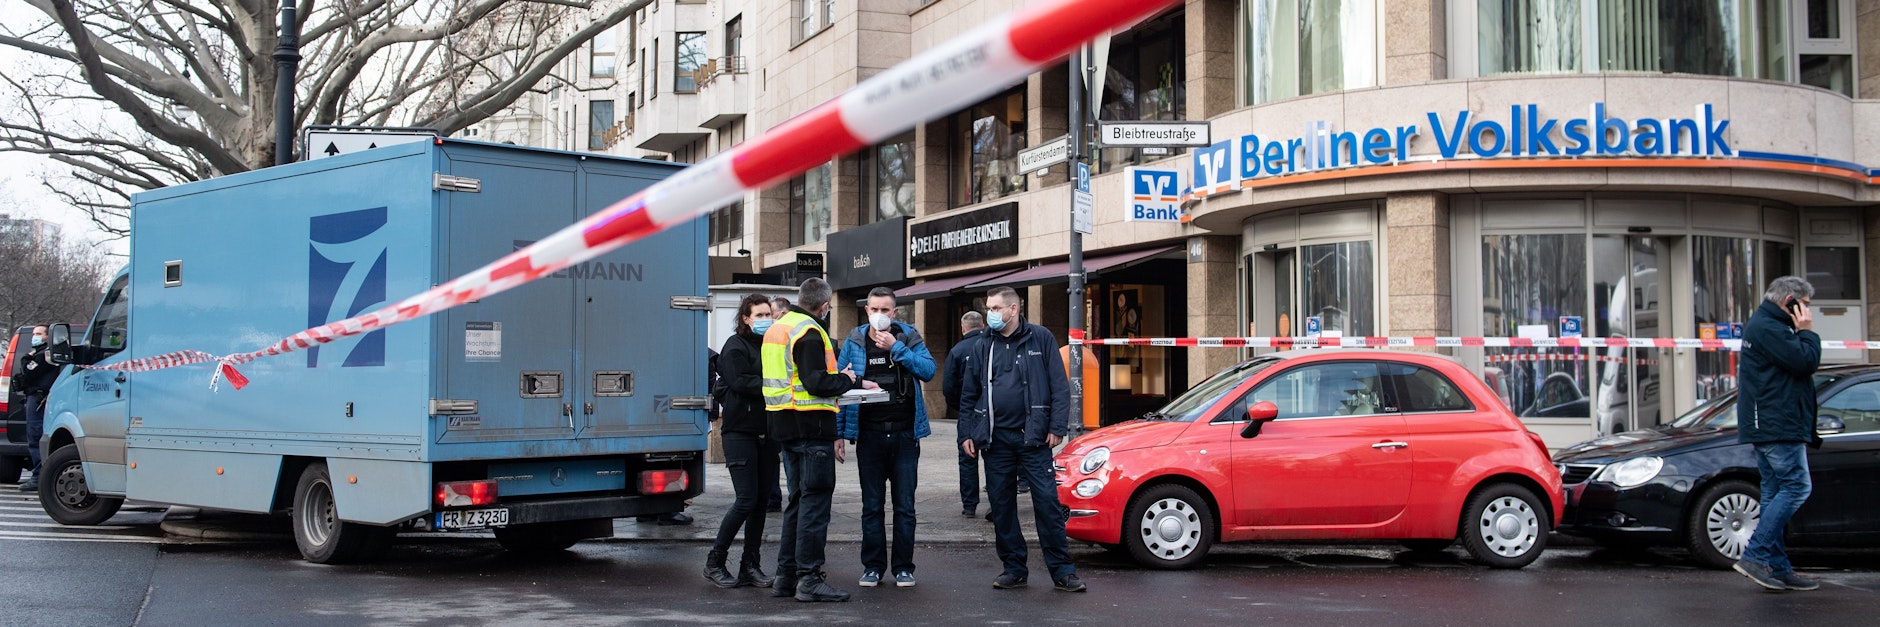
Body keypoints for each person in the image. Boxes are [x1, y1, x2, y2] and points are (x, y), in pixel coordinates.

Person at [958, 287, 1085, 593]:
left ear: (1013, 310)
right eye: (988, 307)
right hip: (995, 440)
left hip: (1034, 440)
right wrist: (966, 432)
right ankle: (1014, 569)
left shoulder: (1040, 338)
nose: (990, 313)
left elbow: (1059, 386)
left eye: (996, 307)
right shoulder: (982, 344)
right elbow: (969, 393)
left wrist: (1057, 426)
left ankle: (1062, 571)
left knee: (1047, 506)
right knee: (1002, 507)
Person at [763, 278, 872, 602]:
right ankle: (809, 577)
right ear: (824, 306)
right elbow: (815, 382)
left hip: (784, 426)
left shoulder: (779, 328)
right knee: (814, 504)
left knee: (797, 501)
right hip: (811, 429)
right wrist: (847, 379)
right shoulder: (809, 332)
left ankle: (786, 576)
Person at [836, 287, 936, 589]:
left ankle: (904, 567)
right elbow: (841, 385)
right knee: (872, 505)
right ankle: (873, 566)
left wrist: (897, 348)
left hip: (905, 435)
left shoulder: (908, 337)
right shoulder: (855, 341)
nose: (880, 315)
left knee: (905, 506)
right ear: (867, 311)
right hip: (870, 436)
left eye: (886, 310)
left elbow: (929, 371)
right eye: (874, 309)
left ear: (895, 312)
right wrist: (838, 434)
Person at [1732, 275, 1822, 592]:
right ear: (1790, 302)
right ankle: (1755, 556)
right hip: (1776, 425)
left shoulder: (1771, 325)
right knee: (1797, 487)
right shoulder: (1770, 327)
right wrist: (1807, 332)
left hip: (1775, 422)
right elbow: (1805, 362)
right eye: (1805, 306)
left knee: (1773, 495)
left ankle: (1778, 567)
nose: (1808, 313)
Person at [705, 294, 781, 589]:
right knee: (746, 499)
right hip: (740, 433)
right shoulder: (735, 346)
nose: (766, 320)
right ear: (746, 318)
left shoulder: (770, 345)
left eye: (768, 314)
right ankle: (715, 561)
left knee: (761, 502)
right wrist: (773, 384)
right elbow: (739, 382)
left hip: (767, 432)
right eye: (759, 315)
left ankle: (751, 565)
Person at [943, 311, 988, 518]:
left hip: (968, 412)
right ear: (983, 325)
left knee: (967, 457)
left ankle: (970, 505)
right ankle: (997, 502)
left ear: (963, 328)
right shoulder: (992, 345)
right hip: (991, 411)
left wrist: (959, 406)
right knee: (995, 459)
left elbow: (948, 386)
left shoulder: (957, 350)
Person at [14, 326, 54, 492]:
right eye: (34, 334)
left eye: (38, 334)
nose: (34, 337)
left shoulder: (44, 355)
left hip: (38, 399)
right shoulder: (43, 353)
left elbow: (29, 372)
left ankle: (38, 476)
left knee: (36, 436)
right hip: (38, 398)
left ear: (47, 337)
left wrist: (25, 358)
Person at [766, 296, 793, 513]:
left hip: (788, 413)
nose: (768, 319)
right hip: (772, 412)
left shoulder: (789, 338)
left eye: (769, 314)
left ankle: (774, 498)